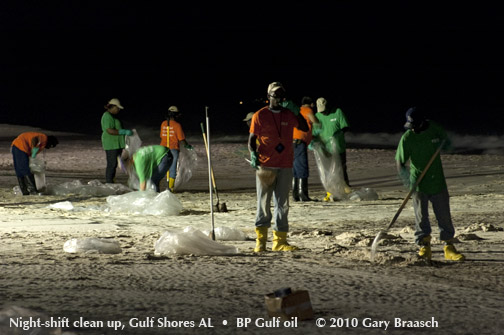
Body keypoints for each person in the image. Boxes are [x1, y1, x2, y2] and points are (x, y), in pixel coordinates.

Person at [396, 107, 465, 261]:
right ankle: (424, 246)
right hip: (418, 184)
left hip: (437, 181)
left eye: (415, 125)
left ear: (422, 122)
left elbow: (447, 143)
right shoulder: (407, 138)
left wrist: (445, 144)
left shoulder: (434, 129)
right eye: (410, 126)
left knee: (444, 216)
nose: (412, 129)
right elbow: (399, 162)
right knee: (421, 217)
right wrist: (407, 180)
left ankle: (449, 247)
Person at [248, 82, 308, 252]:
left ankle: (279, 241)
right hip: (266, 165)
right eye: (275, 95)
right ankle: (261, 242)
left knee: (283, 204)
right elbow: (252, 139)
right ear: (269, 96)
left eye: (281, 95)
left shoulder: (289, 114)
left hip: (285, 165)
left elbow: (303, 128)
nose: (279, 98)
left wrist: (297, 112)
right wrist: (253, 153)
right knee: (263, 203)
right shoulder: (260, 115)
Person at [313, 97, 351, 201]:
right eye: (321, 111)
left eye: (324, 110)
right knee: (328, 172)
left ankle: (345, 191)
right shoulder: (316, 116)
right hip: (325, 149)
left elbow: (346, 127)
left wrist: (338, 133)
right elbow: (314, 133)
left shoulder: (337, 112)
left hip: (338, 147)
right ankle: (330, 192)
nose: (323, 113)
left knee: (341, 169)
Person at [160, 106, 193, 192]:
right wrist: (187, 145)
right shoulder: (177, 125)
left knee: (162, 167)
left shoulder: (163, 123)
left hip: (162, 148)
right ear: (176, 115)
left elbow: (161, 136)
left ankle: (157, 185)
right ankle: (170, 188)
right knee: (172, 167)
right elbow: (181, 139)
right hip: (173, 149)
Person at [292, 96, 318, 201]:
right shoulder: (307, 110)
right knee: (302, 168)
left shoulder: (298, 110)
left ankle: (296, 195)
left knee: (296, 169)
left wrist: (312, 136)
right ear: (311, 104)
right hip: (299, 143)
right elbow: (315, 120)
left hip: (292, 143)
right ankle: (303, 195)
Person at [101, 98, 133, 184]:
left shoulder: (113, 116)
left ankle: (112, 181)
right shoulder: (107, 116)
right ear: (113, 107)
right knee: (112, 164)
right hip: (111, 144)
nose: (118, 110)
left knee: (114, 164)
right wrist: (123, 131)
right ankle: (109, 182)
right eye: (117, 108)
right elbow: (109, 130)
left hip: (117, 144)